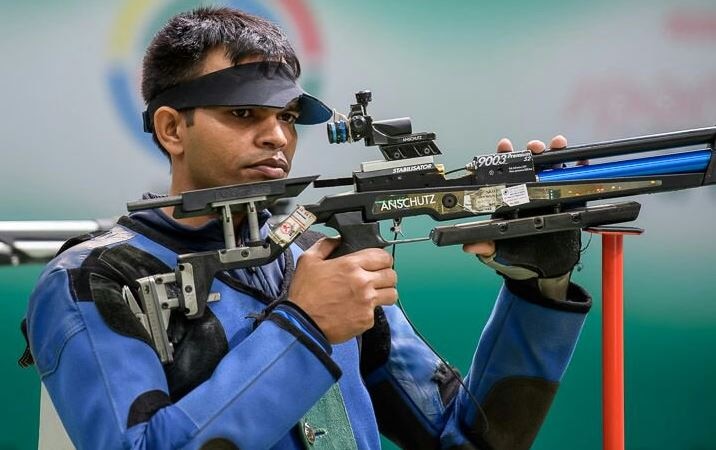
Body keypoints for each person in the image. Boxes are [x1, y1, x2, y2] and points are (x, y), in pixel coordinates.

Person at [23, 7, 591, 450]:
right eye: (244, 113)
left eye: (288, 117)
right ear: (173, 128)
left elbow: (466, 438)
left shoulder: (316, 256)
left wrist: (539, 289)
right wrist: (306, 327)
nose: (278, 137)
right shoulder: (93, 279)